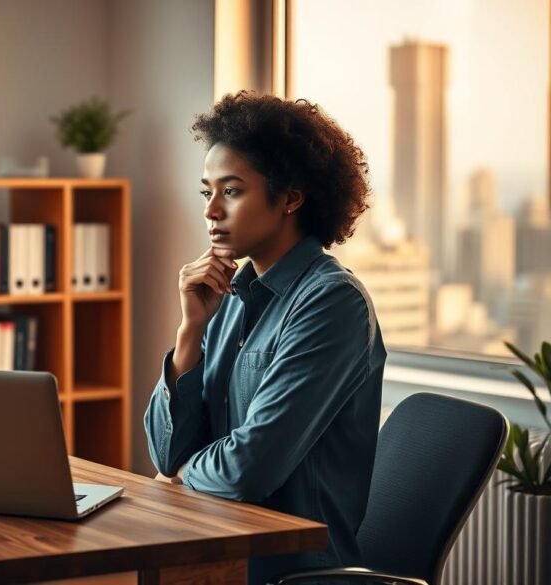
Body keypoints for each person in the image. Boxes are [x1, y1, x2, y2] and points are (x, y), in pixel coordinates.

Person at [144, 91, 386, 585]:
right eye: (206, 192)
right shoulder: (228, 295)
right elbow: (163, 453)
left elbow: (247, 469)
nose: (211, 211)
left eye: (231, 191)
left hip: (291, 571)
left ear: (292, 197)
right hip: (213, 544)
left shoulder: (331, 303)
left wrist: (183, 473)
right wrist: (190, 330)